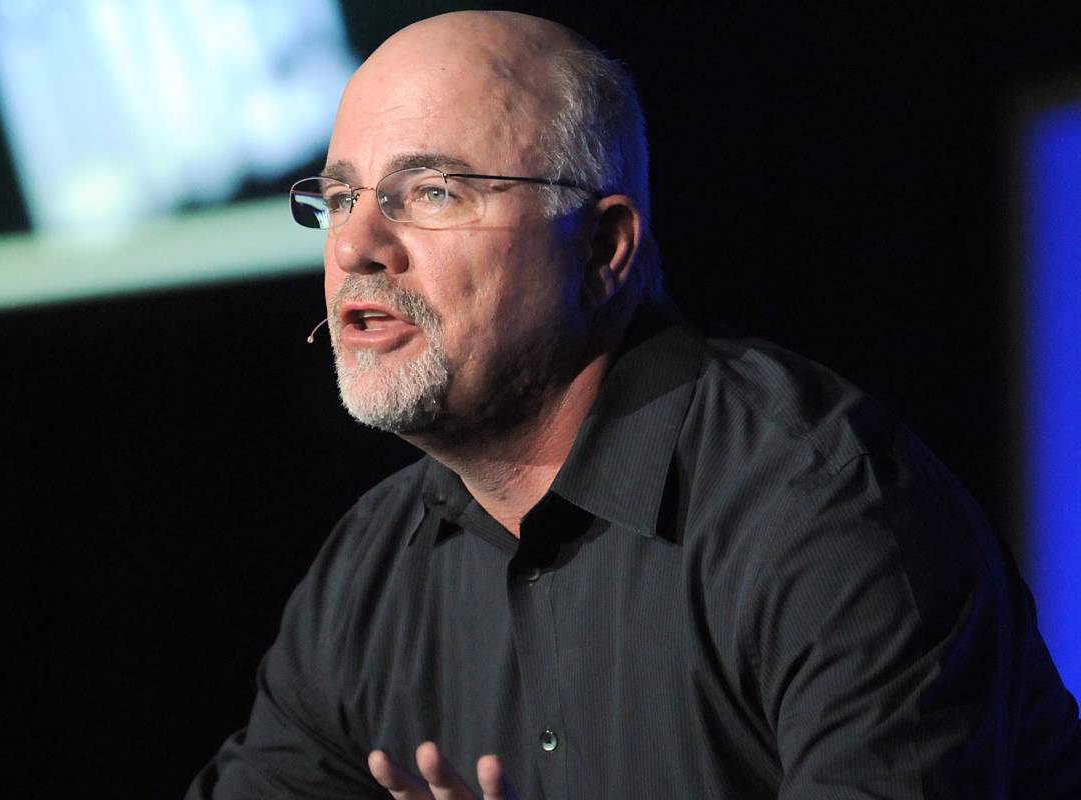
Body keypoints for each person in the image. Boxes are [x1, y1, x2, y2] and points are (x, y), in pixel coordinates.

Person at [186, 10, 1081, 800]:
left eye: (431, 192)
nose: (358, 247)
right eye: (340, 198)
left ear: (605, 247)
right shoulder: (367, 578)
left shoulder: (825, 513)